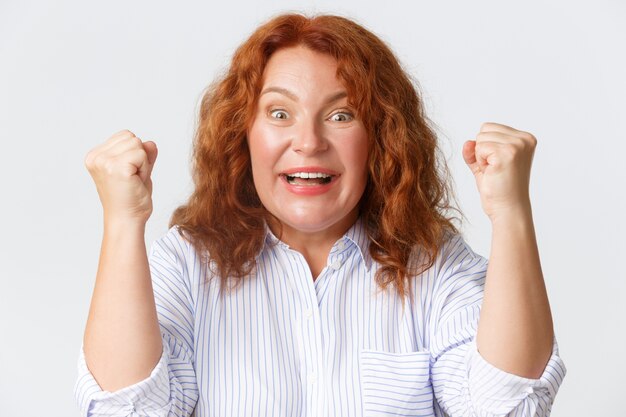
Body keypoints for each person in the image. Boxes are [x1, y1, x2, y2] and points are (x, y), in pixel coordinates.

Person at [74, 12, 566, 417]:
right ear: (242, 135)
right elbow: (126, 410)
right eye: (279, 113)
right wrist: (123, 222)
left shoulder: (435, 266)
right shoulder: (185, 263)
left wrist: (510, 213)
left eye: (341, 114)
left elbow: (508, 408)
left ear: (381, 138)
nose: (308, 142)